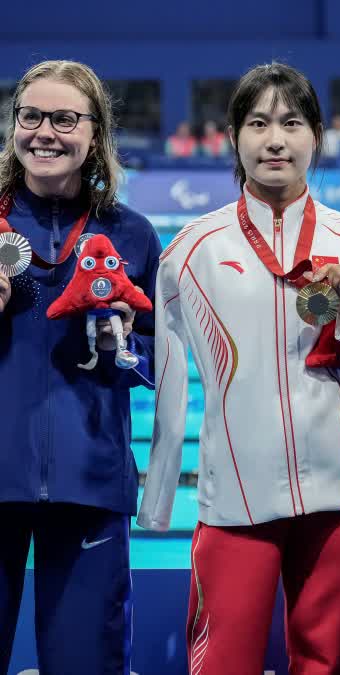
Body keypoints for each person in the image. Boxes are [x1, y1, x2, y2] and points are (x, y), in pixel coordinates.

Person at [141, 62, 340, 673]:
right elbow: (168, 378)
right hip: (235, 503)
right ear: (233, 137)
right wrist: (159, 501)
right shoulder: (192, 251)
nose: (276, 139)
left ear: (316, 136)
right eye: (259, 123)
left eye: (292, 123)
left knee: (325, 665)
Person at [0, 59, 159, 674]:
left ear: (95, 133)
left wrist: (124, 345)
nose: (44, 131)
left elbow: (157, 359)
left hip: (89, 484)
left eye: (65, 118)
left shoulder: (133, 234)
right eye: (30, 116)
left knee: (87, 664)